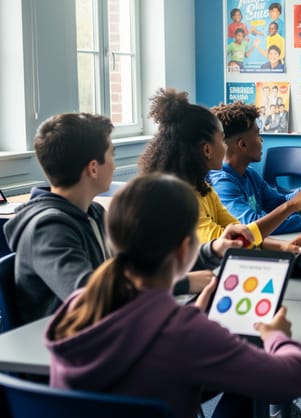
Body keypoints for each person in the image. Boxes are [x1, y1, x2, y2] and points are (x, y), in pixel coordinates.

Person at [45, 174, 301, 418]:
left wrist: (194, 314)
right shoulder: (187, 333)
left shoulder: (78, 305)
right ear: (186, 249)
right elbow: (294, 378)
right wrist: (276, 336)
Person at [3, 113, 241, 325]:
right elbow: (88, 294)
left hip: (110, 332)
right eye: (111, 155)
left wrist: (213, 250)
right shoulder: (47, 229)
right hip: (69, 354)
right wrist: (182, 283)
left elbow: (142, 269)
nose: (115, 165)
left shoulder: (94, 214)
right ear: (93, 168)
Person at [138, 88, 301, 253]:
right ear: (207, 149)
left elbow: (239, 231)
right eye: (221, 139)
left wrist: (283, 246)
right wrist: (291, 206)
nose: (225, 146)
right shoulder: (181, 200)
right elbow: (230, 243)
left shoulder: (204, 189)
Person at [209, 101, 301, 234]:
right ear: (242, 144)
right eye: (257, 134)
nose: (261, 140)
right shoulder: (222, 183)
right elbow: (252, 226)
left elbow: (279, 203)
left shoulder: (249, 174)